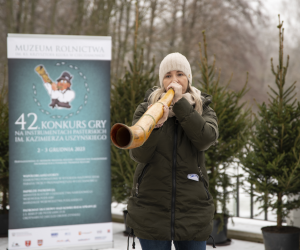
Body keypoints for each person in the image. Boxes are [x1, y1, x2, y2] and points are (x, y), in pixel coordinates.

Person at [126, 52, 219, 250]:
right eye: (168, 75)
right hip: (151, 210)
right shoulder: (147, 109)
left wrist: (181, 105)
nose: (173, 80)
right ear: (162, 81)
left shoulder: (203, 108)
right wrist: (156, 126)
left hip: (192, 210)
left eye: (180, 74)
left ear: (188, 79)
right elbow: (139, 154)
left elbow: (206, 139)